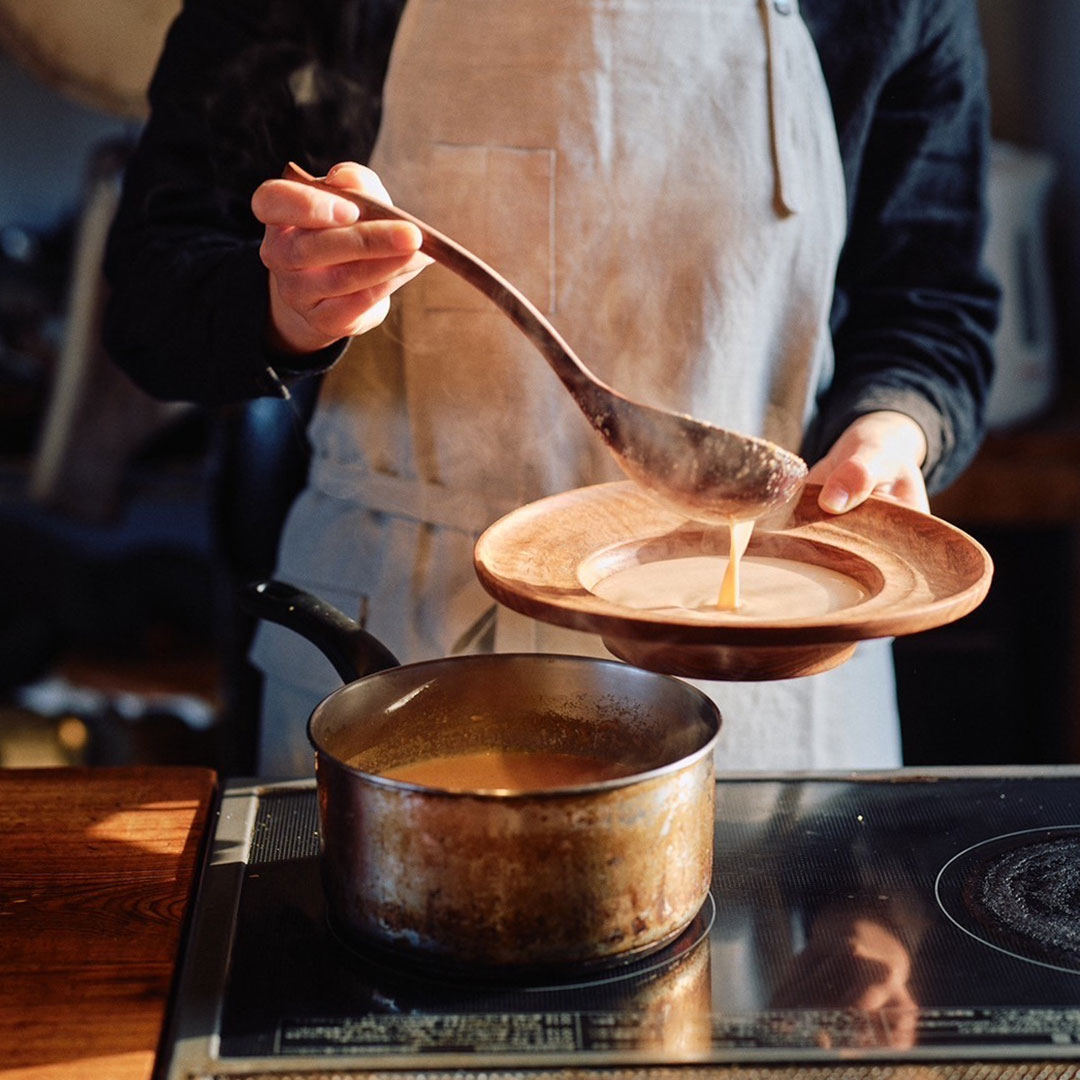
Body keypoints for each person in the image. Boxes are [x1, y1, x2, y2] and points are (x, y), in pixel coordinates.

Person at [104, 0, 1000, 777]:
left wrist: (896, 425)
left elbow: (931, 300)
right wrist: (290, 305)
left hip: (767, 676)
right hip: (408, 656)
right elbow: (151, 299)